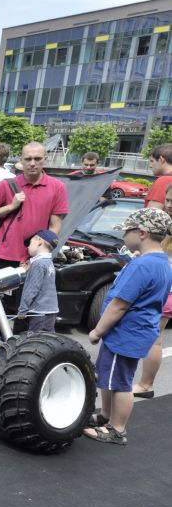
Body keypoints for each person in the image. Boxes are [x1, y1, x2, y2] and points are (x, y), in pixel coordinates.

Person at [84, 208, 172, 445]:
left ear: (142, 233)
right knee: (110, 377)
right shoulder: (161, 261)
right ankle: (105, 416)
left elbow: (119, 306)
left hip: (124, 333)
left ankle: (117, 428)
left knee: (121, 383)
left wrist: (97, 331)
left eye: (126, 232)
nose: (123, 236)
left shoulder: (141, 266)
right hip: (137, 331)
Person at [0, 141, 68, 269]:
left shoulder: (58, 187)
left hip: (32, 257)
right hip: (2, 254)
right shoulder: (6, 184)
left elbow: (54, 228)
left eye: (37, 159)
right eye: (28, 159)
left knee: (27, 290)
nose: (32, 163)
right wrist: (10, 207)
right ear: (21, 161)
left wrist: (38, 256)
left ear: (45, 160)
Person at [131, 183, 172, 399]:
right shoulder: (164, 222)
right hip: (163, 285)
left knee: (153, 338)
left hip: (167, 288)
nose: (169, 205)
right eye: (168, 200)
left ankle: (146, 385)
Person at [16, 229, 59, 332]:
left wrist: (22, 310)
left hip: (39, 312)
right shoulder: (48, 262)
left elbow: (32, 289)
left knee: (35, 343)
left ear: (39, 241)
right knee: (47, 341)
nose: (28, 247)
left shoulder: (38, 264)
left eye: (30, 243)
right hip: (50, 310)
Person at [144, 143, 172, 210]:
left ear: (161, 160)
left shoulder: (164, 180)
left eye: (152, 161)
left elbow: (152, 216)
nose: (150, 165)